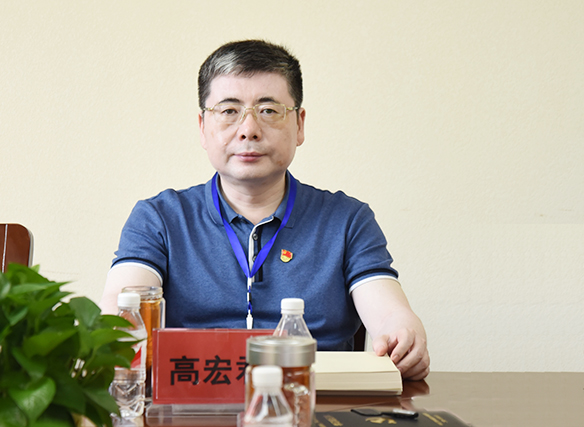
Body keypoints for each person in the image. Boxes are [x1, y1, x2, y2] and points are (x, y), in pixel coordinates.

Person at [100, 40, 429, 380]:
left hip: (317, 398)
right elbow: (121, 306)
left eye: (269, 111)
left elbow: (389, 314)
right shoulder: (159, 219)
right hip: (193, 398)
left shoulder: (347, 220)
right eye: (229, 111)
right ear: (202, 127)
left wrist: (403, 334)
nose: (249, 130)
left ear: (299, 124)